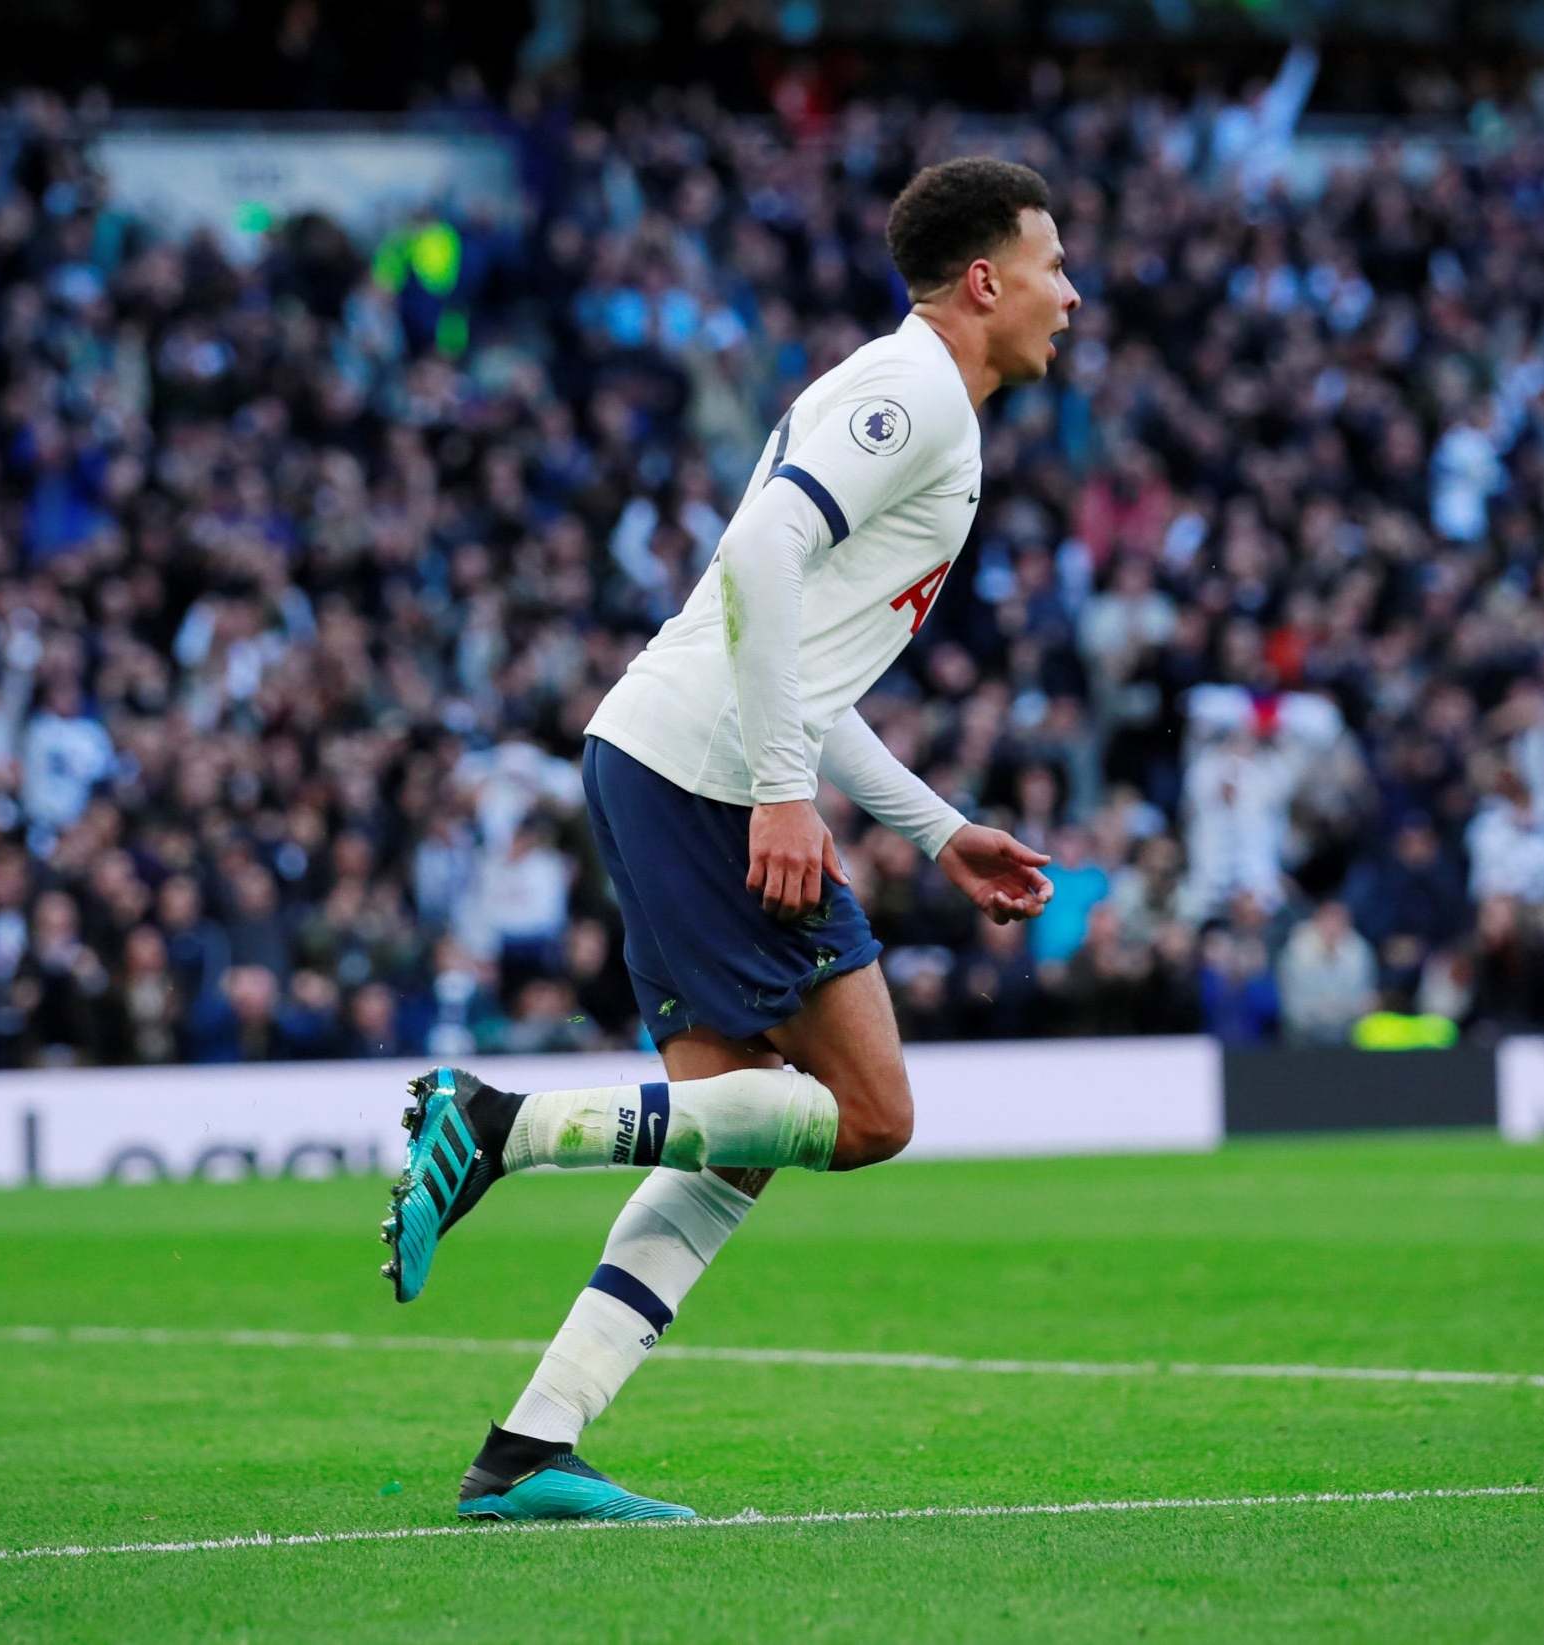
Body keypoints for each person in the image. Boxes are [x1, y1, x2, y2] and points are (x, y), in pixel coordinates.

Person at [380, 157, 1076, 1521]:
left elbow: (804, 652)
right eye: (1053, 266)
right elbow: (758, 555)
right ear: (984, 280)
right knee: (870, 1115)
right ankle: (497, 1122)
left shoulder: (914, 395)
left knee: (733, 1139)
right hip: (702, 767)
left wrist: (933, 832)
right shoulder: (913, 387)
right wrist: (775, 790)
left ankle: (529, 1450)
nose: (1071, 294)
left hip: (661, 752)